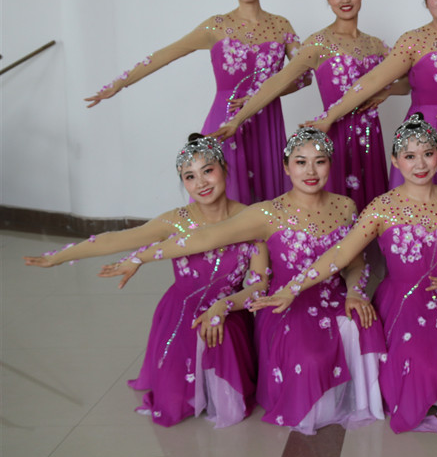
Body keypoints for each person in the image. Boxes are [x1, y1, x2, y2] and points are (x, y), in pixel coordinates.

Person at [100, 128, 385, 435]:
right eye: (301, 162)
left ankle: (358, 398)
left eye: (320, 161)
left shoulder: (346, 207)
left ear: (331, 164)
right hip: (284, 303)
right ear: (286, 167)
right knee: (309, 358)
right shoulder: (267, 212)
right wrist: (140, 257)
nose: (311, 171)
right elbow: (205, 238)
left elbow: (355, 263)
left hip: (333, 296)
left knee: (368, 325)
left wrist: (354, 292)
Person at [253, 114, 437, 433]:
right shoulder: (382, 207)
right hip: (403, 297)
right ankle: (420, 397)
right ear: (395, 161)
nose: (420, 164)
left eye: (427, 154)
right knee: (419, 359)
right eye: (409, 156)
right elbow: (341, 254)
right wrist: (294, 287)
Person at [26, 135, 265, 428]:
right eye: (190, 176)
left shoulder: (251, 219)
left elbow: (259, 285)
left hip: (229, 311)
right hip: (181, 313)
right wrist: (59, 257)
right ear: (183, 182)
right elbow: (116, 239)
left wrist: (223, 307)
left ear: (225, 168)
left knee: (225, 365)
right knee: (172, 397)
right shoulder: (176, 220)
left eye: (208, 170)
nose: (201, 182)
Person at [85, 0, 305, 203]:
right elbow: (166, 54)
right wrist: (120, 83)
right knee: (224, 200)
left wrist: (263, 96)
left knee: (267, 205)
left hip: (267, 124)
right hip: (226, 122)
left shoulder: (281, 25)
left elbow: (303, 77)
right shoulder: (216, 26)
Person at [309, 0, 437, 225]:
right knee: (419, 212)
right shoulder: (413, 40)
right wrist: (330, 116)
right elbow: (372, 80)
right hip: (423, 131)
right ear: (426, 1)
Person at [209, 0, 397, 209]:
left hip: (371, 137)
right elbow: (280, 79)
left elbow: (407, 80)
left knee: (372, 210)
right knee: (333, 211)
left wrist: (387, 90)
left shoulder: (376, 45)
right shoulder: (318, 43)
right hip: (333, 132)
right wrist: (238, 119)